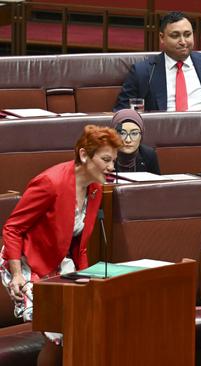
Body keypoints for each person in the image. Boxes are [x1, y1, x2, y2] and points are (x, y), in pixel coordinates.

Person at [1, 125, 122, 365]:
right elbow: (12, 228)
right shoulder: (51, 183)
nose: (111, 167)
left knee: (85, 322)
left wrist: (86, 280)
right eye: (106, 159)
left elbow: (80, 243)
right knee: (59, 329)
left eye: (114, 161)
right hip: (26, 264)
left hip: (57, 264)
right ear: (84, 155)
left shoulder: (95, 188)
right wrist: (17, 276)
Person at [112, 109, 161, 175]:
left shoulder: (148, 155)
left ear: (141, 135)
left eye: (134, 133)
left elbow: (156, 183)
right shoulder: (105, 155)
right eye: (122, 133)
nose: (128, 140)